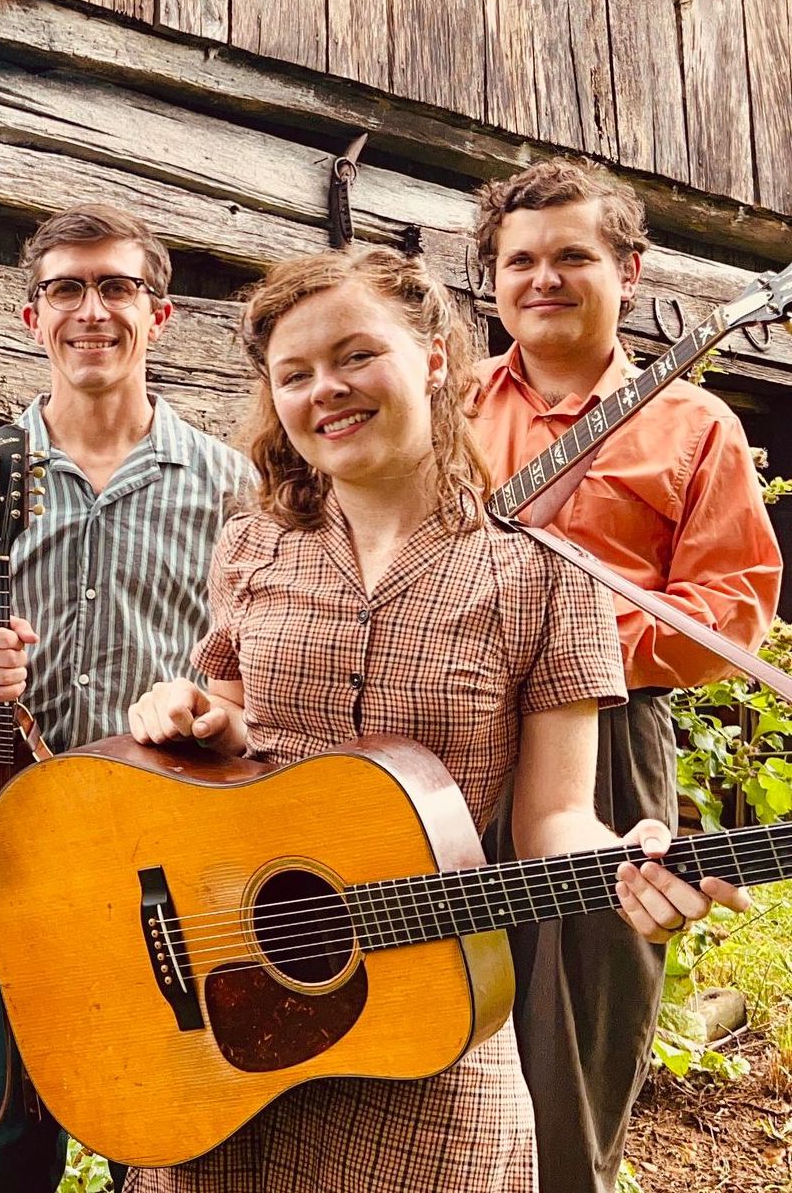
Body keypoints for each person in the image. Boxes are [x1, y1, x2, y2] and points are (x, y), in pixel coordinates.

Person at [124, 246, 749, 1193]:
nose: (324, 390)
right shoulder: (252, 544)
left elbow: (553, 823)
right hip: (230, 1024)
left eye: (354, 355)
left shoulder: (544, 575)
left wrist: (634, 866)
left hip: (428, 1031)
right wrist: (196, 716)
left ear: (434, 358)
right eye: (293, 375)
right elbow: (243, 733)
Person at [0, 204, 251, 1192]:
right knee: (2, 1133)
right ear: (31, 317)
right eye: (65, 287)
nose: (90, 309)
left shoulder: (227, 484)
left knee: (158, 1137)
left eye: (115, 287)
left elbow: (245, 665)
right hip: (6, 853)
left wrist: (197, 700)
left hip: (166, 855)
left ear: (160, 315)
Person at [470, 157, 783, 1193]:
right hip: (441, 736)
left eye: (572, 255)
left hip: (603, 739)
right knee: (430, 1010)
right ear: (491, 279)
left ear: (628, 269)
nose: (542, 277)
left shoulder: (692, 426)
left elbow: (723, 614)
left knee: (574, 1035)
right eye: (519, 260)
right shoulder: (445, 408)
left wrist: (560, 638)